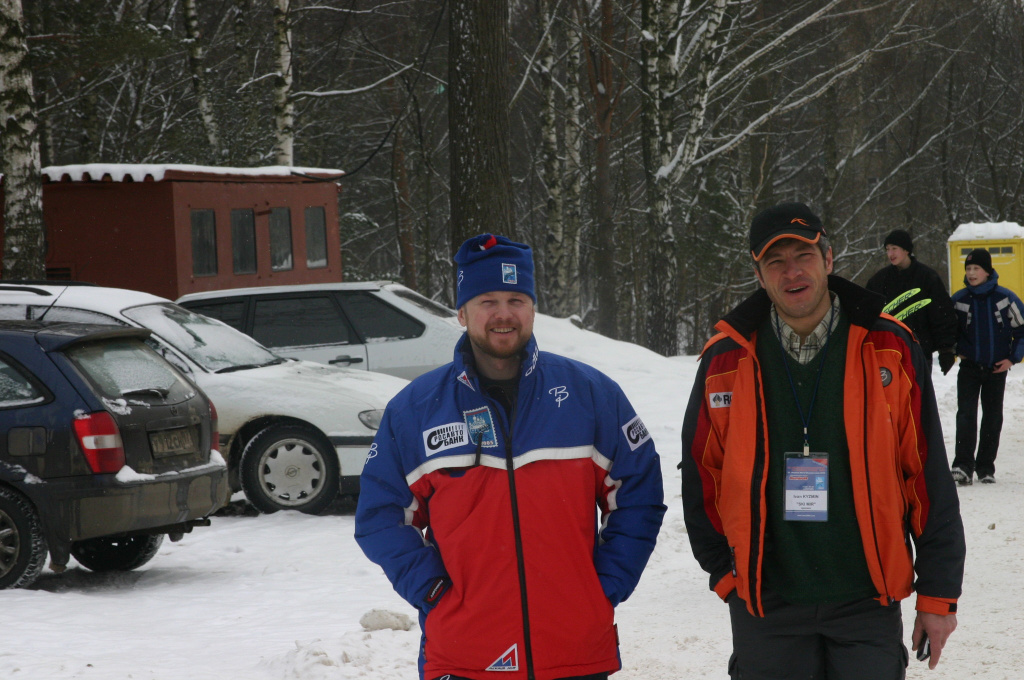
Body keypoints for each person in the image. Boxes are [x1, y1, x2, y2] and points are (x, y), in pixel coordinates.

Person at [355, 234, 666, 680]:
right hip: (465, 656)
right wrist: (433, 589)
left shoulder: (590, 395)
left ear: (534, 309)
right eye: (487, 300)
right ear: (462, 313)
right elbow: (380, 516)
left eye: (517, 299)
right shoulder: (415, 410)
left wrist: (605, 586)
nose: (504, 314)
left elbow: (640, 494)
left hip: (573, 653)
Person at [680, 202, 965, 679]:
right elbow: (701, 477)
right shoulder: (725, 360)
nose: (792, 272)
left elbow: (926, 475)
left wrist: (937, 594)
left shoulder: (890, 347)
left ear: (828, 260)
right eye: (776, 261)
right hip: (768, 607)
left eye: (803, 256)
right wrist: (726, 575)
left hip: (866, 599)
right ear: (759, 273)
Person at [950, 248, 1024, 486]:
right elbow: (947, 330)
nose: (971, 273)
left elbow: (1022, 330)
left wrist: (1012, 359)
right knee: (966, 416)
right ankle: (962, 466)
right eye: (968, 269)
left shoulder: (1006, 298)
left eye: (976, 269)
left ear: (987, 271)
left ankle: (985, 468)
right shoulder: (959, 300)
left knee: (992, 418)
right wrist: (953, 348)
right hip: (969, 369)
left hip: (996, 370)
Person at [865, 229, 958, 374]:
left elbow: (941, 314)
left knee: (919, 395)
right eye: (888, 249)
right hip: (888, 352)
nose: (890, 254)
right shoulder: (879, 280)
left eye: (894, 249)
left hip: (919, 351)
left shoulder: (927, 278)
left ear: (906, 250)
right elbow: (867, 313)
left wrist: (946, 349)